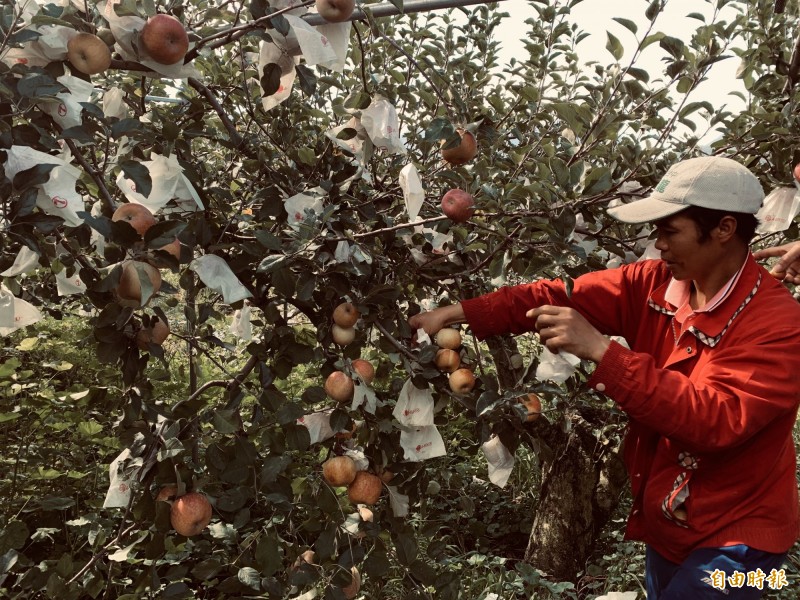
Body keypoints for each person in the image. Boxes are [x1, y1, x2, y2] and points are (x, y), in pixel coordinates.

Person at [409, 156, 800, 599]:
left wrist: (602, 352)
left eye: (671, 231)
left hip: (742, 542)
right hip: (672, 518)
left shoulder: (778, 324)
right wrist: (458, 312)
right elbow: (555, 294)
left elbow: (715, 419)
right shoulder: (652, 285)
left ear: (724, 229)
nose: (659, 244)